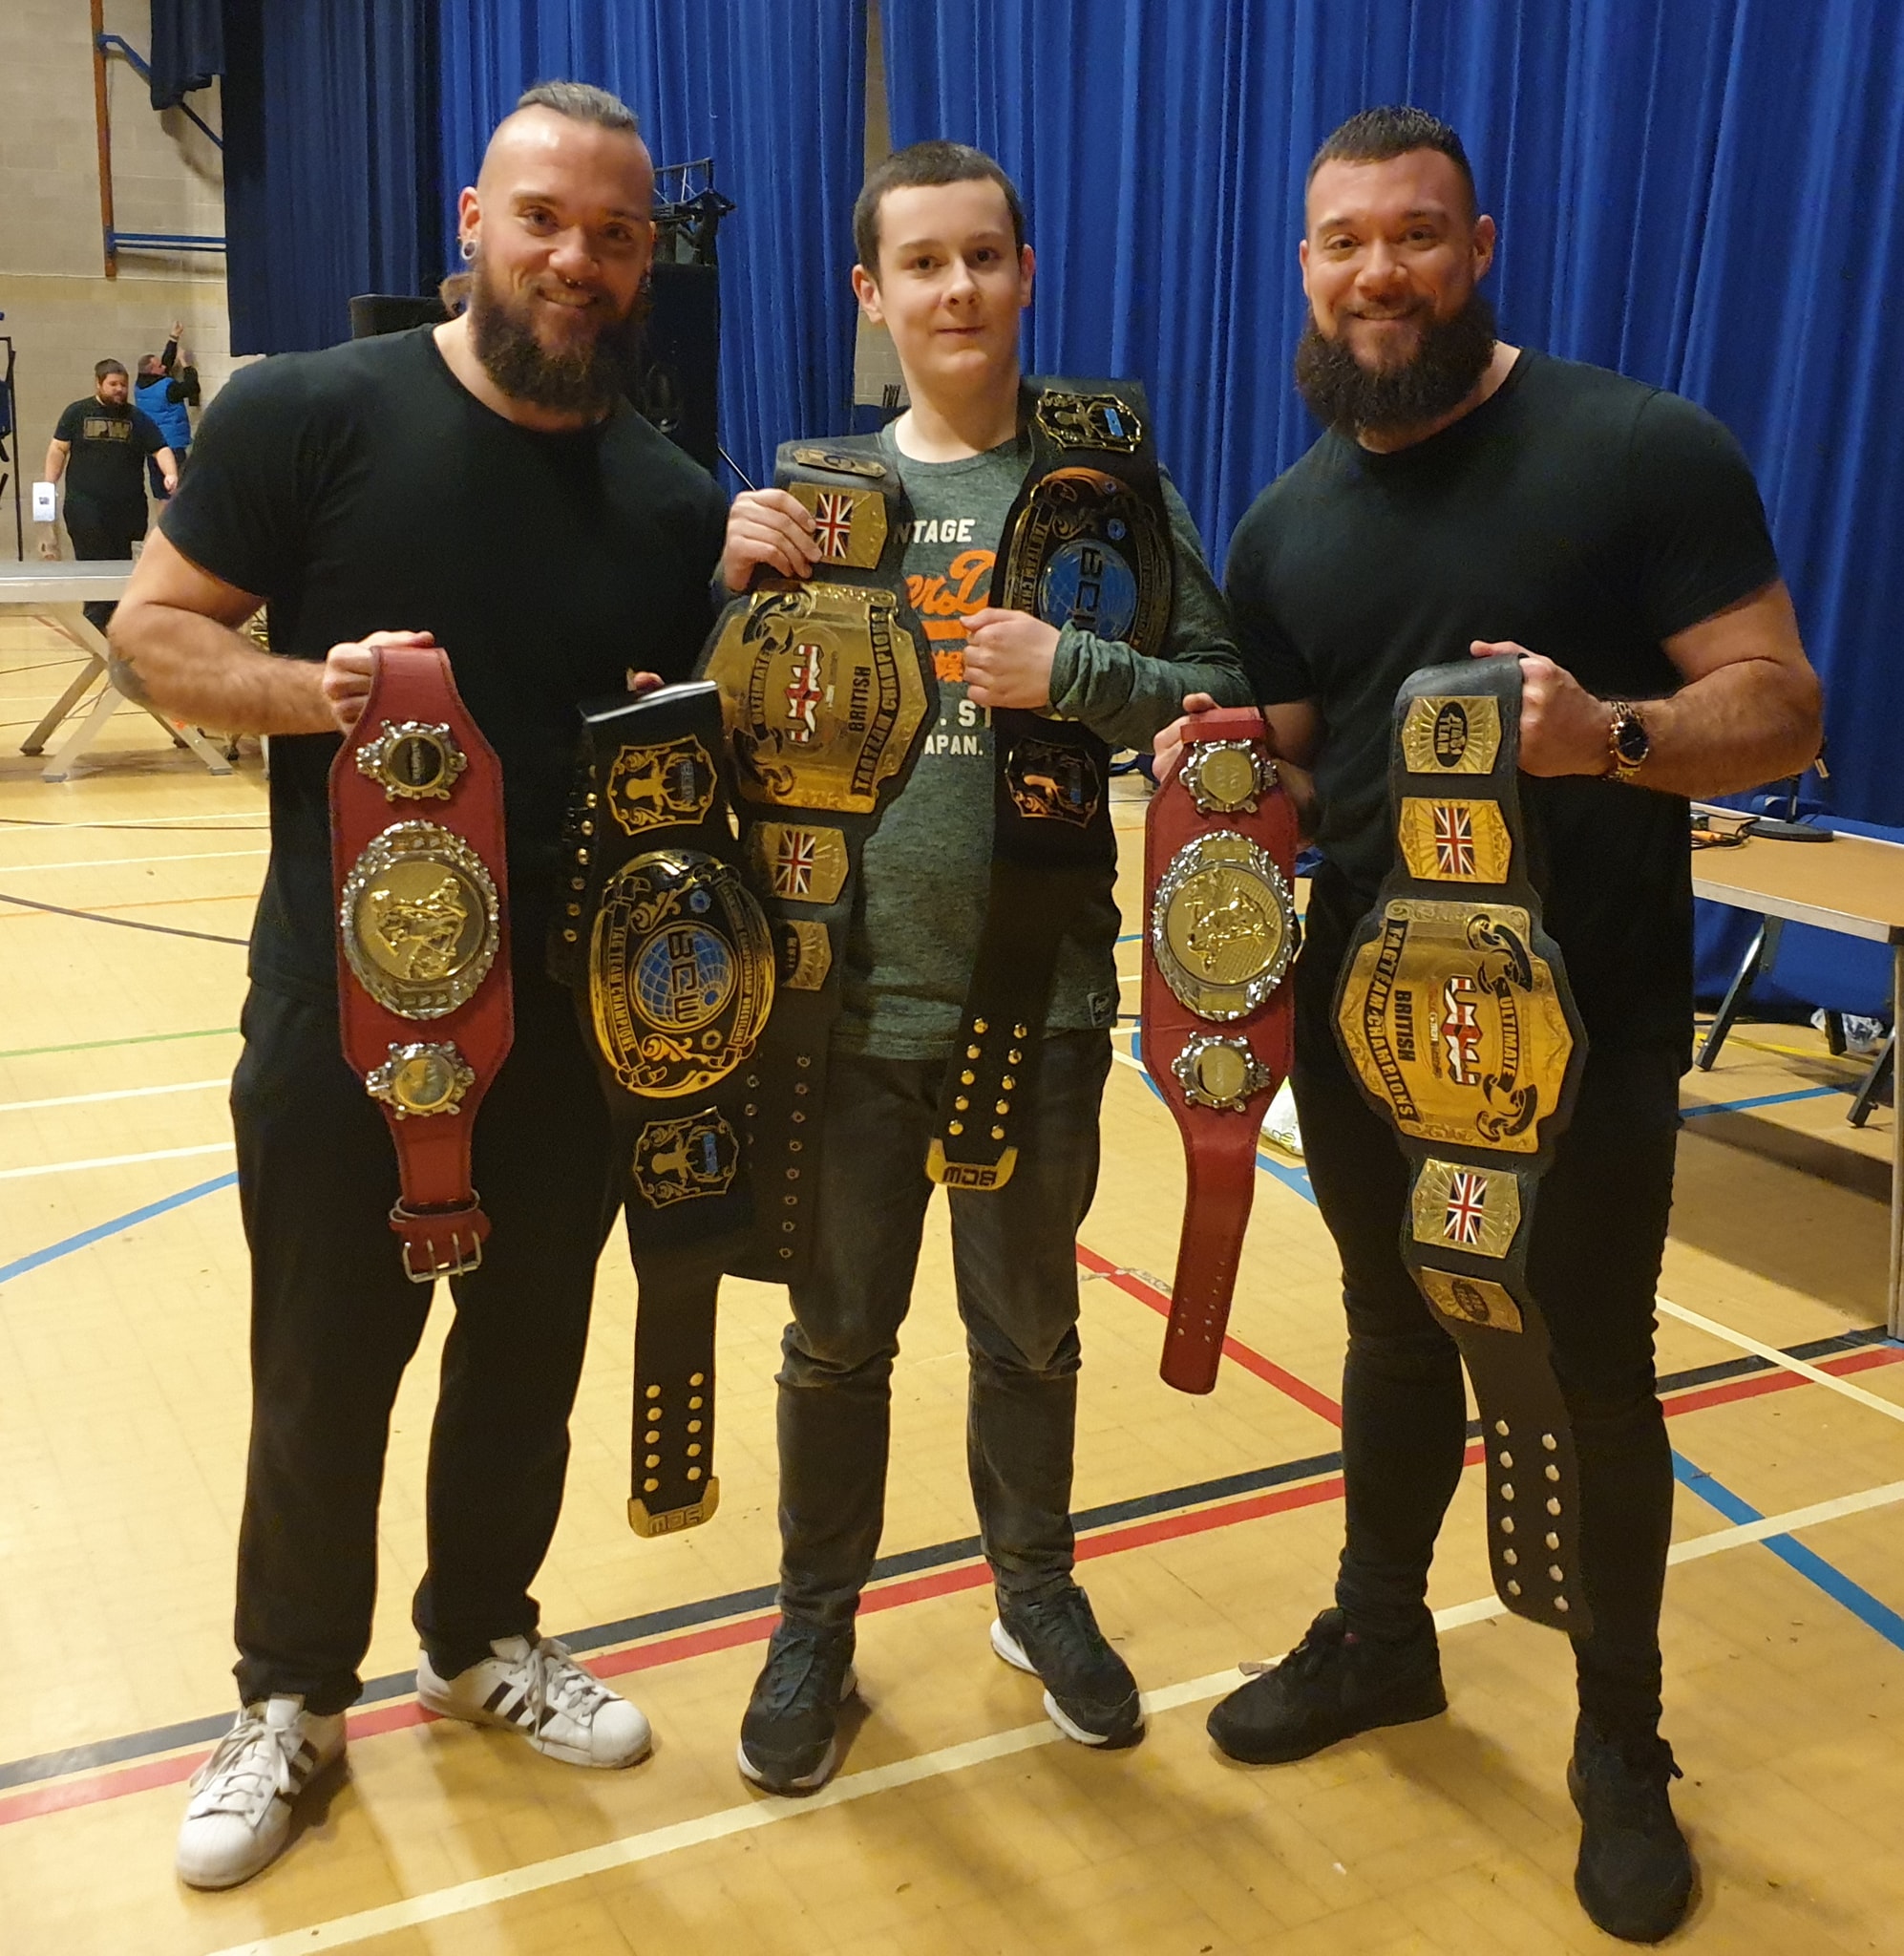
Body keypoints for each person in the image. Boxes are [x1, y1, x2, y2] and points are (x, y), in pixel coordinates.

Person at [1162, 107, 1823, 1945]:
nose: (1375, 271)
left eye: (1411, 235)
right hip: (1370, 1036)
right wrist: (1203, 771)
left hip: (1582, 1032)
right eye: (1339, 243)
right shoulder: (1286, 516)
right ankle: (1383, 1641)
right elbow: (1293, 758)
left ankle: (1620, 1743)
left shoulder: (1633, 449)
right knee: (1388, 1335)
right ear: (1300, 268)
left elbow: (1780, 710)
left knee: (1591, 1371)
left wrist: (1602, 735)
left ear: (1475, 247)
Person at [111, 81, 728, 1891]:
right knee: (323, 1368)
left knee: (525, 1353)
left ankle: (478, 1637)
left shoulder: (669, 492)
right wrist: (320, 692)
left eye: (617, 233)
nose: (578, 258)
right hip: (348, 1016)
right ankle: (288, 1695)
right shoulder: (308, 408)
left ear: (644, 257)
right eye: (546, 217)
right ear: (474, 216)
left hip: (572, 1023)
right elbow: (158, 634)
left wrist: (761, 595)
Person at [718, 140, 1252, 1797]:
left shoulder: (1108, 487)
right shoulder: (812, 505)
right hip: (843, 999)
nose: (955, 291)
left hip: (1039, 995)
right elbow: (724, 736)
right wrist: (724, 590)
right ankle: (815, 1621)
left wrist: (1077, 664)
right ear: (868, 295)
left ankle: (1033, 1590)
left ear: (1025, 275)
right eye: (920, 266)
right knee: (831, 1342)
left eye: (982, 259)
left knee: (1025, 1334)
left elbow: (1219, 704)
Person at [42, 359, 177, 627]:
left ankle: (120, 624)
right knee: (93, 564)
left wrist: (170, 473)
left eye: (123, 385)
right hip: (85, 506)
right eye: (113, 384)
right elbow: (58, 448)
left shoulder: (136, 418)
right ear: (98, 383)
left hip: (128, 509)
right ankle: (96, 622)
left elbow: (161, 448)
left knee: (123, 571)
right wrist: (48, 484)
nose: (119, 390)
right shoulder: (77, 412)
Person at [135, 321, 201, 500]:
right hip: (173, 445)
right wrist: (186, 365)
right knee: (178, 492)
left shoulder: (140, 386)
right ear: (152, 371)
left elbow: (165, 364)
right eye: (159, 366)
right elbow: (191, 386)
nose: (164, 367)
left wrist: (174, 337)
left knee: (161, 494)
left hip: (153, 447)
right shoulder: (168, 389)